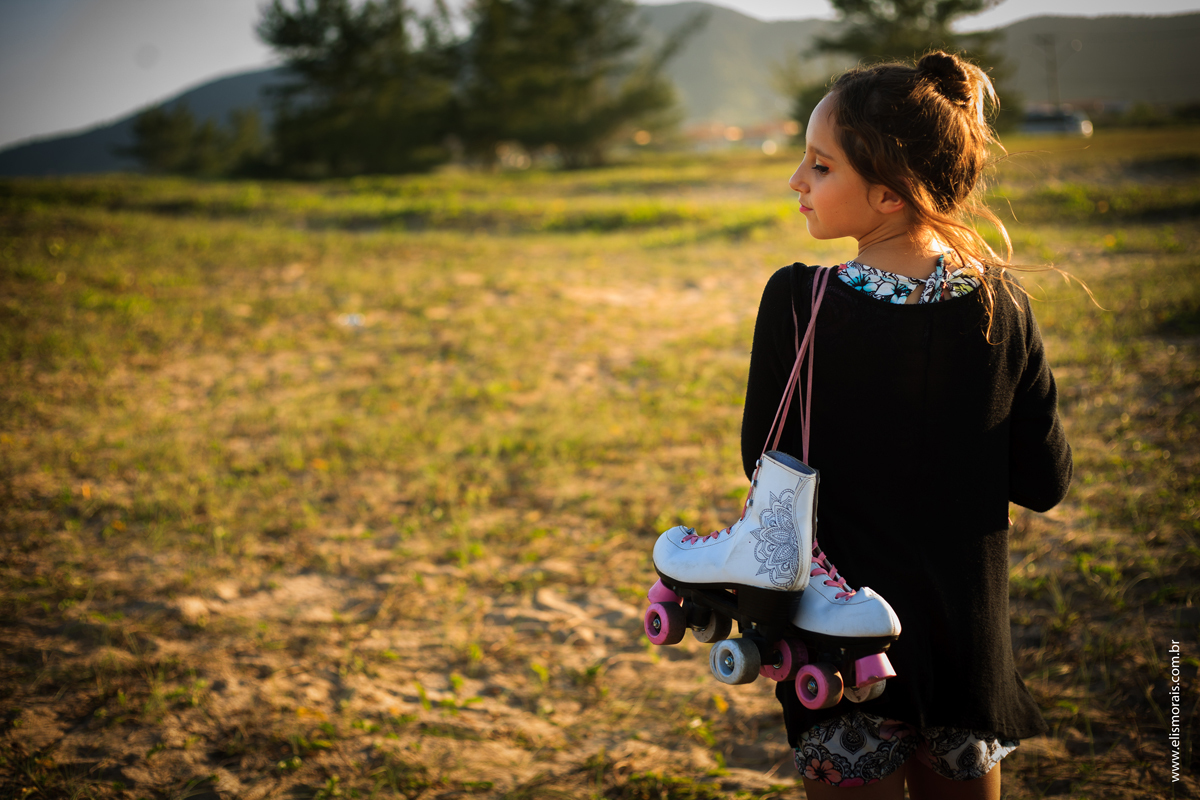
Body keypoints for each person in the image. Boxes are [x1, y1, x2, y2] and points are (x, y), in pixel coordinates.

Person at [738, 52, 1073, 798]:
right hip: (967, 654)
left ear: (889, 194)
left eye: (820, 166)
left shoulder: (799, 303)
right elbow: (1045, 482)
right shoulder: (1005, 307)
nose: (797, 182)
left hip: (839, 651)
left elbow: (762, 463)